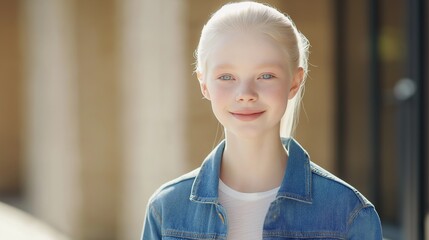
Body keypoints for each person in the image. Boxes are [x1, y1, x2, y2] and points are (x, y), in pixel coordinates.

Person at [142, 1, 382, 239]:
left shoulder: (349, 213)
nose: (246, 94)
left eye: (266, 75)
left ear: (295, 82)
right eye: (226, 77)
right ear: (204, 84)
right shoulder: (165, 210)